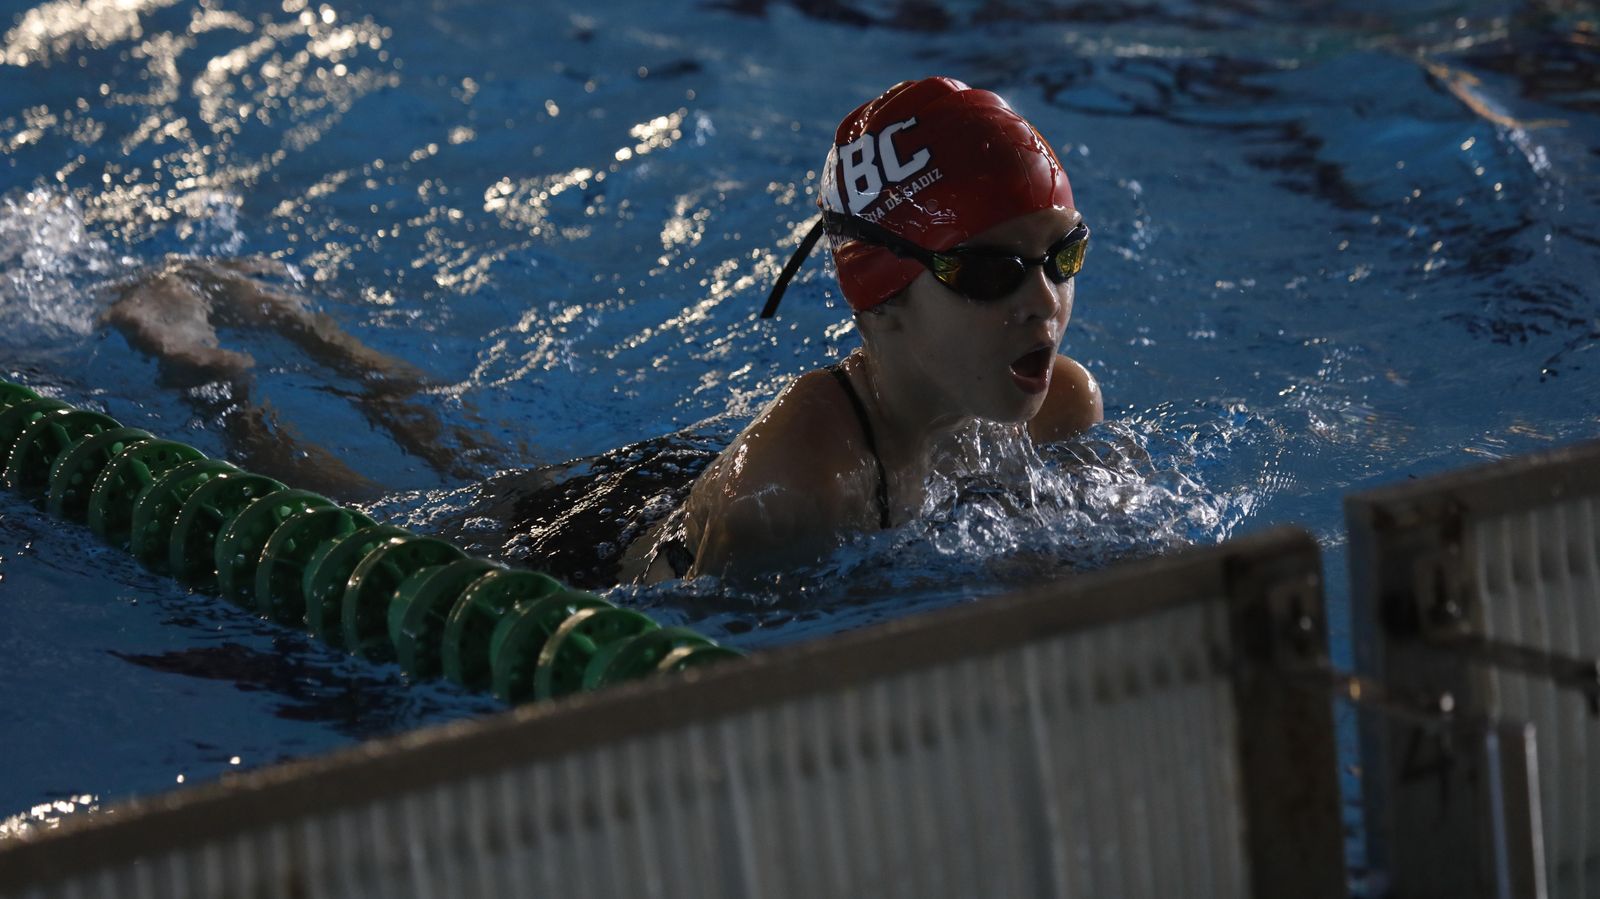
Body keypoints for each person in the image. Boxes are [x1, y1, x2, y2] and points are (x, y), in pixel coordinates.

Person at [620, 76, 1104, 584]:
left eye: (1062, 255)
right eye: (989, 273)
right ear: (881, 296)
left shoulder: (1062, 412)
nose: (1045, 299)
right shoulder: (794, 492)